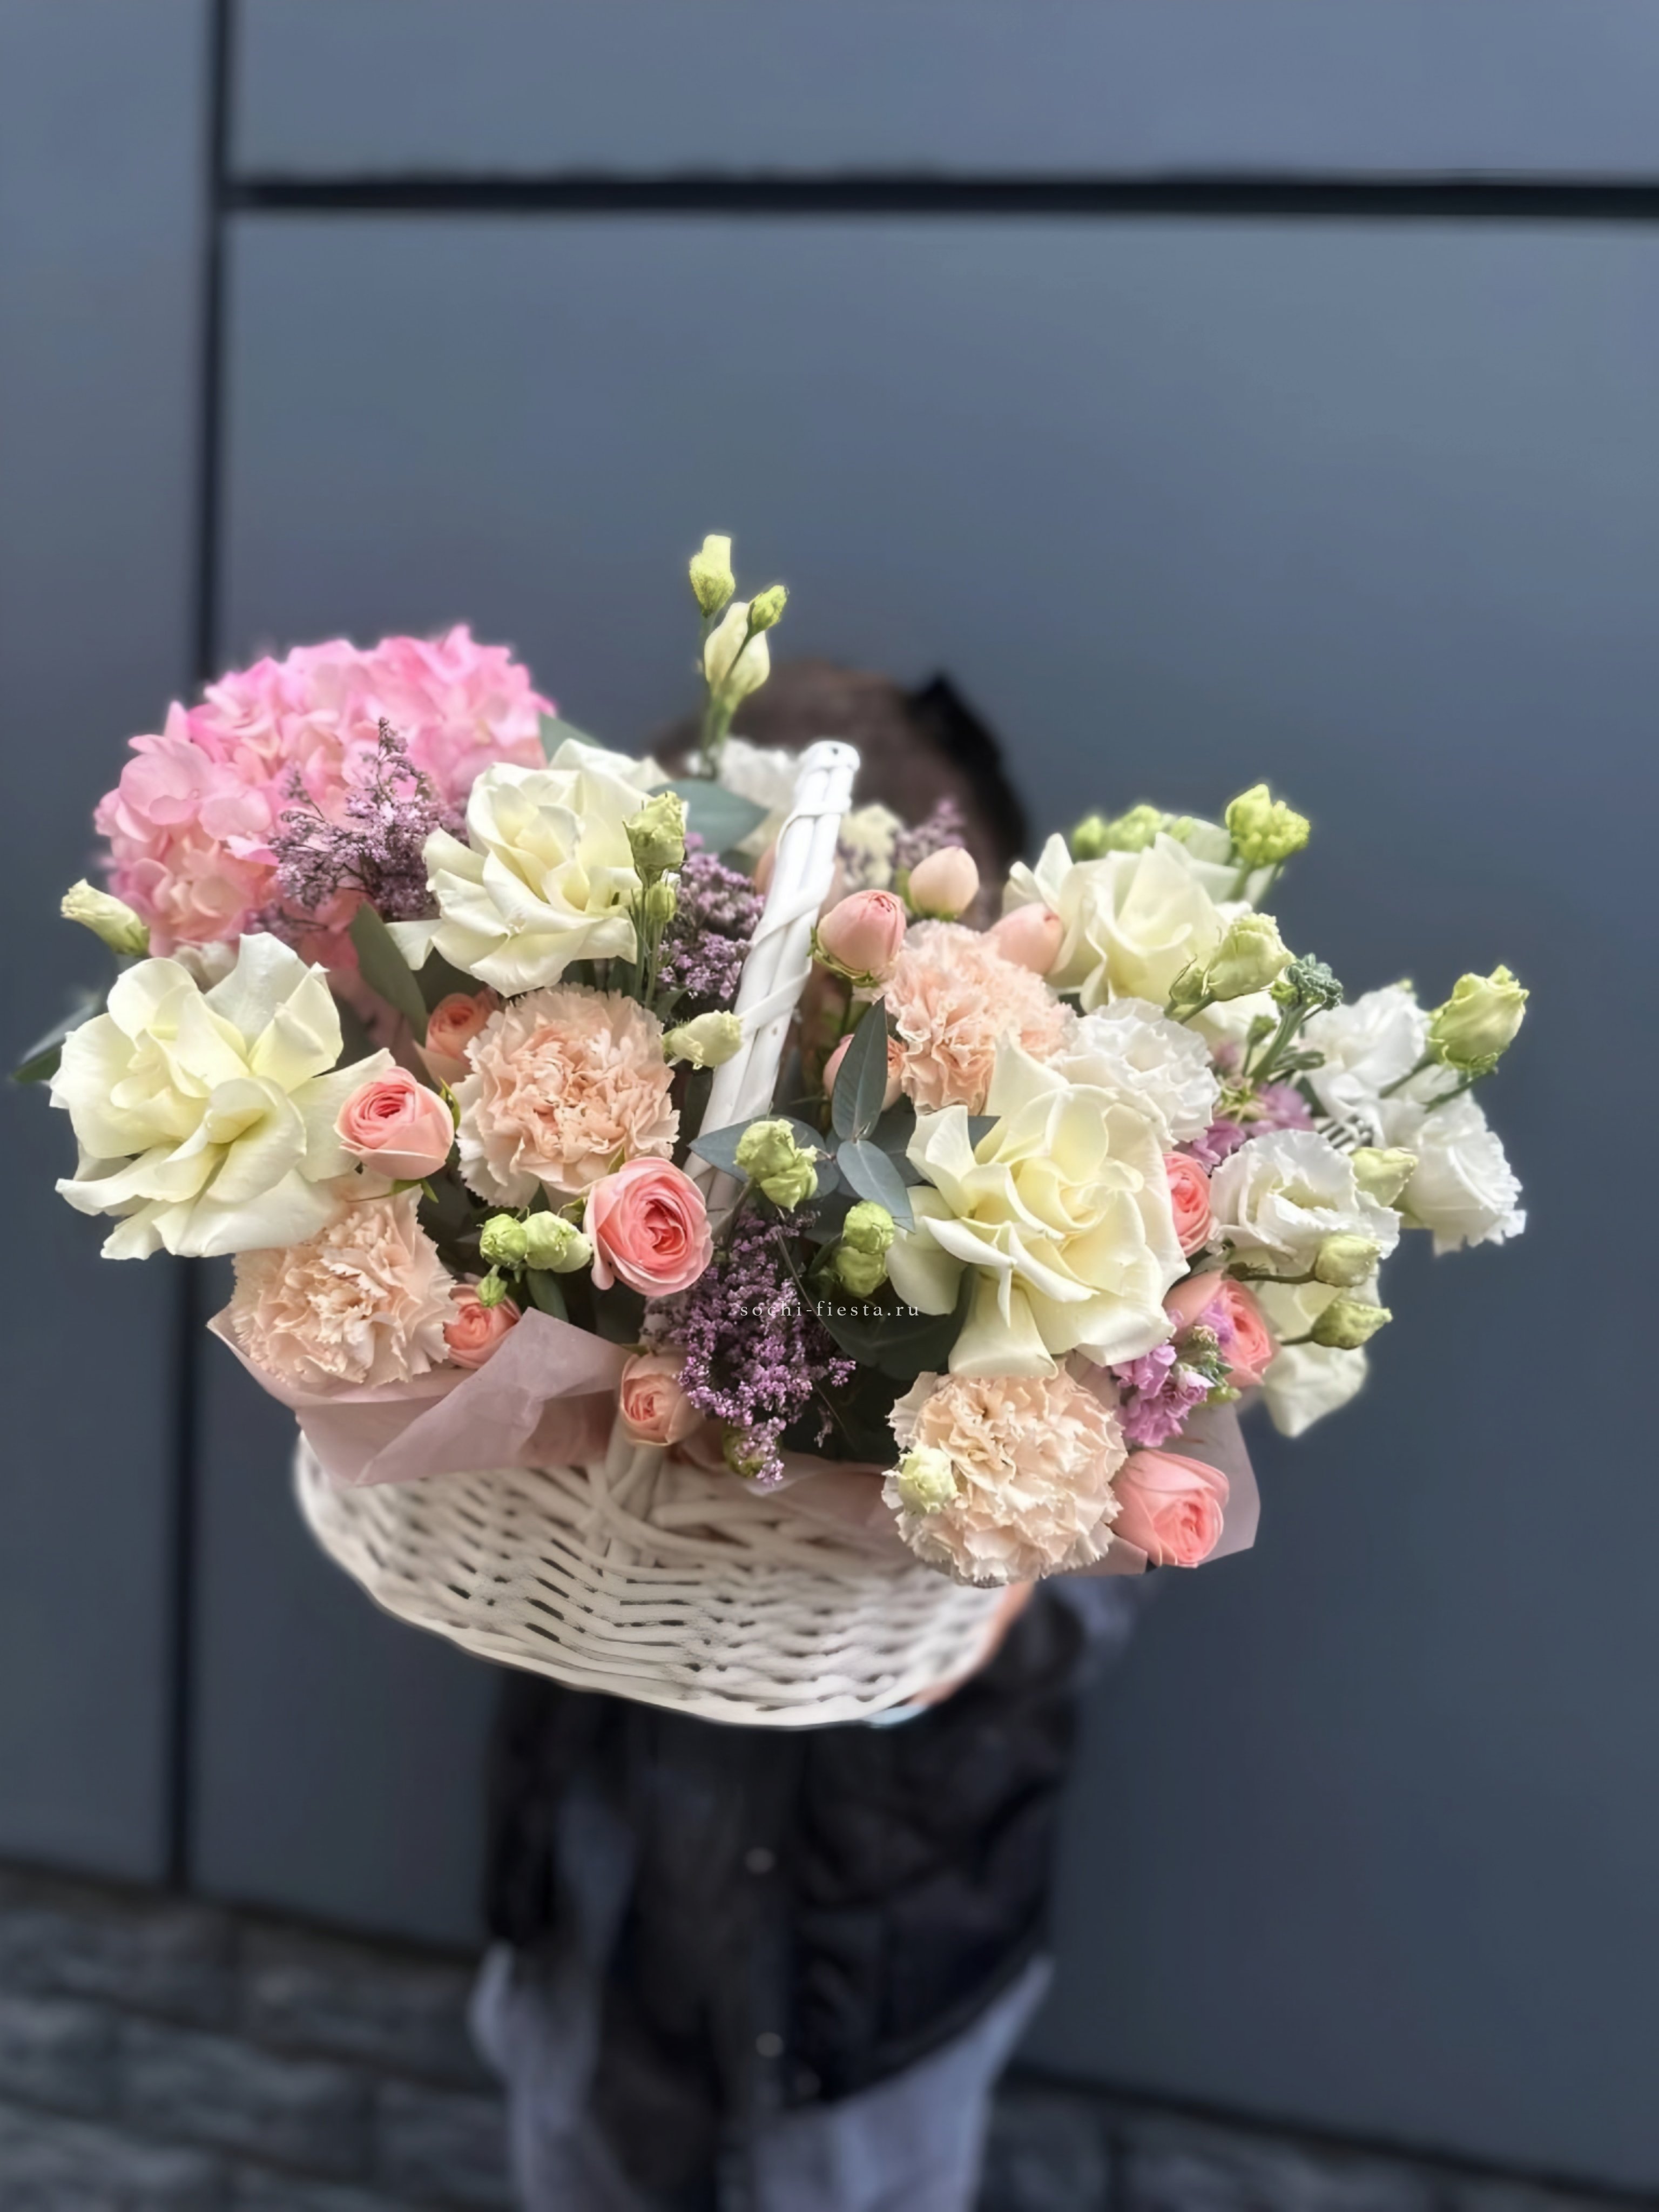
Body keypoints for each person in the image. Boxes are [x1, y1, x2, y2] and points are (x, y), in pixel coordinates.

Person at [472, 664, 1150, 2212]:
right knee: (583, 2159)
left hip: (877, 1970)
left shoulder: (1074, 1248)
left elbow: (1115, 1578)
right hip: (595, 1913)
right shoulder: (631, 1202)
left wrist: (984, 1587)